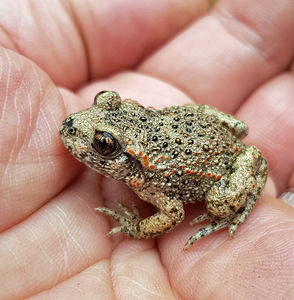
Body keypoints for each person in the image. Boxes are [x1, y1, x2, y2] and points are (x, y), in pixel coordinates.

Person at [0, 0, 293, 299]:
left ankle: (233, 209)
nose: (76, 125)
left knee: (219, 205)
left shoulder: (153, 184)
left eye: (103, 145)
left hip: (221, 164)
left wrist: (135, 228)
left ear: (132, 164)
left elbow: (173, 212)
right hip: (201, 129)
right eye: (103, 101)